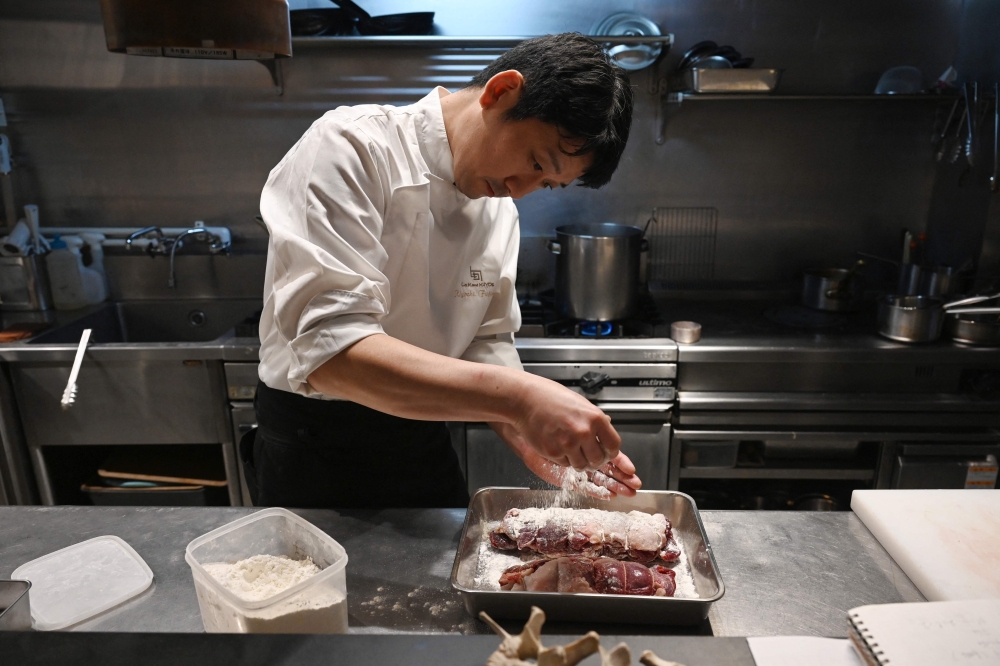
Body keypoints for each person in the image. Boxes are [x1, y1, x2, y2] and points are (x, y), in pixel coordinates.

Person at [241, 33, 639, 509]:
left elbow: (483, 341)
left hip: (422, 436)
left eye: (547, 184)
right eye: (535, 161)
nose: (520, 190)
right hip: (315, 444)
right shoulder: (353, 147)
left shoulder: (498, 210)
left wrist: (528, 436)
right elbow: (333, 357)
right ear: (500, 93)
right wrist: (522, 398)